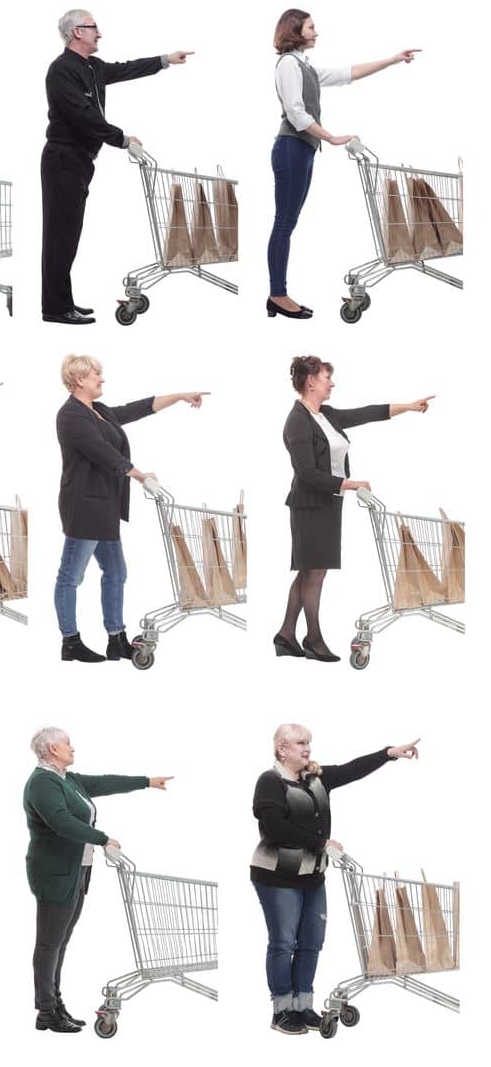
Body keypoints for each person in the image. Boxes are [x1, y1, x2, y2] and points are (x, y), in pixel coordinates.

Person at [251, 725, 420, 1034]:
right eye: (300, 743)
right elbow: (274, 826)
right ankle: (282, 1012)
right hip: (276, 875)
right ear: (281, 749)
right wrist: (321, 844)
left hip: (313, 875)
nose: (307, 748)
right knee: (283, 942)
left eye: (309, 743)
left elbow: (350, 770)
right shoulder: (270, 781)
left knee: (312, 943)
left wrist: (388, 754)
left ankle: (303, 1007)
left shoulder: (315, 777)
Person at [41, 10, 191, 324]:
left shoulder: (92, 66)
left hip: (80, 161)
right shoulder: (61, 71)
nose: (100, 33)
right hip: (62, 159)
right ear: (76, 32)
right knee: (60, 237)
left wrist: (165, 60)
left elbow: (126, 69)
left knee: (69, 236)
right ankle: (55, 309)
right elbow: (83, 116)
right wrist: (121, 139)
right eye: (94, 27)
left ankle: (62, 301)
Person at [54, 354, 207, 663]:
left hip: (105, 506)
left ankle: (116, 638)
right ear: (79, 379)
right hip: (83, 507)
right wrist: (137, 474)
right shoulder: (70, 415)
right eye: (97, 373)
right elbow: (101, 452)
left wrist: (178, 396)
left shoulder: (97, 410)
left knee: (115, 573)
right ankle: (70, 641)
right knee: (70, 576)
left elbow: (134, 409)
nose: (102, 378)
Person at [278, 356, 432, 660]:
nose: (331, 383)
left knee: (309, 571)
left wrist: (409, 406)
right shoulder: (297, 420)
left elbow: (368, 413)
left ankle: (285, 635)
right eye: (326, 378)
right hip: (309, 506)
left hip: (328, 504)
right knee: (315, 573)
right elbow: (306, 472)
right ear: (310, 382)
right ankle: (313, 639)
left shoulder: (326, 415)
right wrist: (349, 484)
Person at [266, 11, 418, 318]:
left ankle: (278, 294)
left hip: (302, 150)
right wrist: (331, 137)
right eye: (311, 27)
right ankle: (277, 295)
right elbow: (296, 113)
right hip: (291, 149)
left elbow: (349, 73)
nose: (316, 32)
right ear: (295, 31)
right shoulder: (287, 65)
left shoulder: (303, 66)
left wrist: (391, 60)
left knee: (288, 223)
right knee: (284, 223)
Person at [24, 727, 169, 1033]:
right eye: (67, 744)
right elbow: (62, 822)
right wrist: (103, 839)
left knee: (60, 942)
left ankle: (54, 1003)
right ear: (52, 749)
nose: (72, 748)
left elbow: (103, 783)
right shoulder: (41, 784)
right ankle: (46, 1010)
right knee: (49, 943)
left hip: (76, 870)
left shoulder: (67, 779)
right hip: (55, 873)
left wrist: (146, 782)